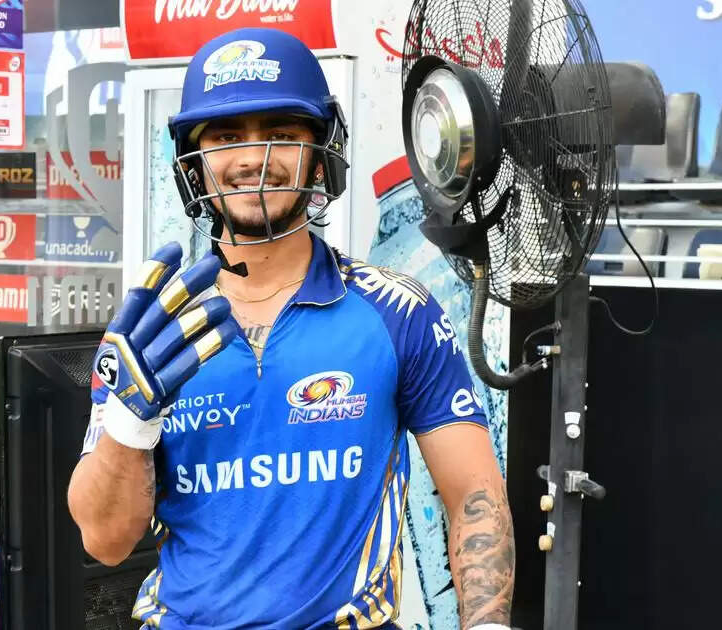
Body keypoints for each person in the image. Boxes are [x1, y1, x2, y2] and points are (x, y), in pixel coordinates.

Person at [67, 27, 515, 630]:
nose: (255, 159)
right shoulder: (153, 334)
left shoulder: (398, 311)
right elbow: (105, 542)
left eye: (281, 133)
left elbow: (474, 497)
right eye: (226, 137)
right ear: (195, 166)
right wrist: (129, 422)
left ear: (321, 152)